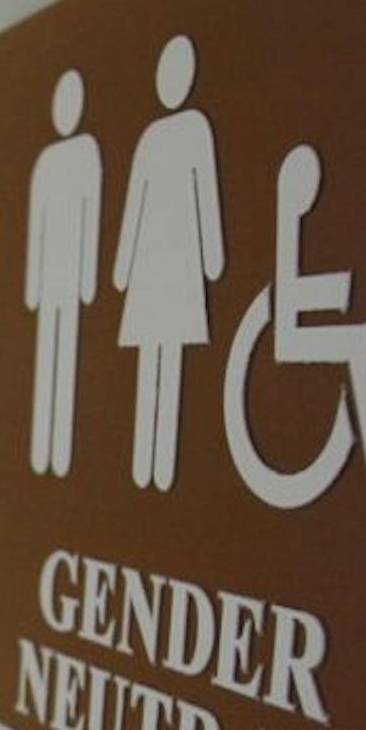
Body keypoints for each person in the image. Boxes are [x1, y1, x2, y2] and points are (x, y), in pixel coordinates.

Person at [271, 144, 366, 485]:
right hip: (290, 324)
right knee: (355, 342)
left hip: (293, 314)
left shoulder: (293, 217)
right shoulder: (288, 217)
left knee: (355, 342)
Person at [112, 33, 227, 492]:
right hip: (153, 269)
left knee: (171, 360)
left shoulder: (198, 129)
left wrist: (214, 258)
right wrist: (121, 269)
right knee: (150, 361)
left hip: (178, 266)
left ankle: (162, 470)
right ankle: (145, 466)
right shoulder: (151, 139)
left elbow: (207, 199)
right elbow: (133, 207)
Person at [24, 68, 104, 477]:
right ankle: (45, 452)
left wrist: (90, 279)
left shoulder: (90, 153)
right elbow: (38, 221)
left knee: (67, 354)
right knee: (50, 358)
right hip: (53, 278)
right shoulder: (46, 163)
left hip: (72, 281)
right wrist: (33, 288)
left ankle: (60, 451)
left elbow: (91, 217)